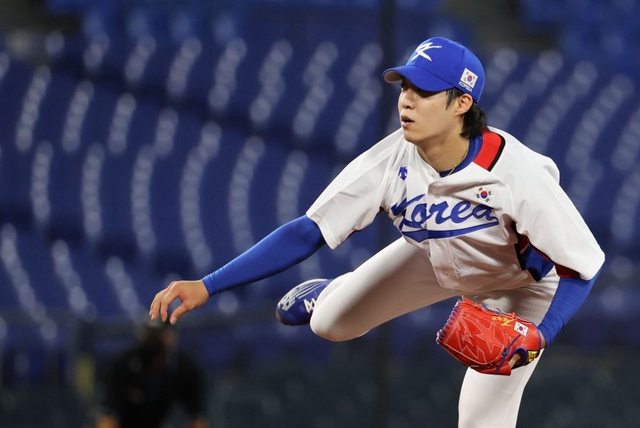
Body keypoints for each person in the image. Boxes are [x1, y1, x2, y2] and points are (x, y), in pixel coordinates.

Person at [149, 36, 604, 426]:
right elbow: (308, 230)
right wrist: (208, 285)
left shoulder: (516, 172)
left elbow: (582, 267)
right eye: (404, 86)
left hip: (521, 288)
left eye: (424, 90)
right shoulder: (391, 159)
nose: (406, 99)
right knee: (329, 324)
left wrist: (540, 334)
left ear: (462, 103)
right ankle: (330, 293)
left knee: (480, 421)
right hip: (435, 256)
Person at [96, 320, 207, 428]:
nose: (152, 341)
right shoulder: (125, 364)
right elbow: (107, 416)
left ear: (170, 337)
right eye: (150, 334)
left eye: (157, 335)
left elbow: (197, 417)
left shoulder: (183, 368)